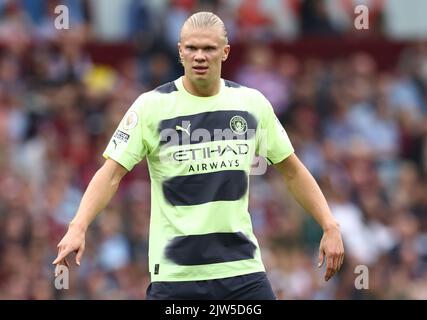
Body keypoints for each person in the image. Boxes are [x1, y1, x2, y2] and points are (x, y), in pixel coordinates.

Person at [53, 11, 344, 300]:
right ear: (180, 52)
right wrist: (78, 227)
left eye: (209, 48)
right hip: (177, 275)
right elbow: (111, 173)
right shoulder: (151, 107)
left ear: (225, 52)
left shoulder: (251, 104)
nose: (199, 56)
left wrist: (329, 225)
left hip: (241, 270)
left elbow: (292, 171)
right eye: (191, 48)